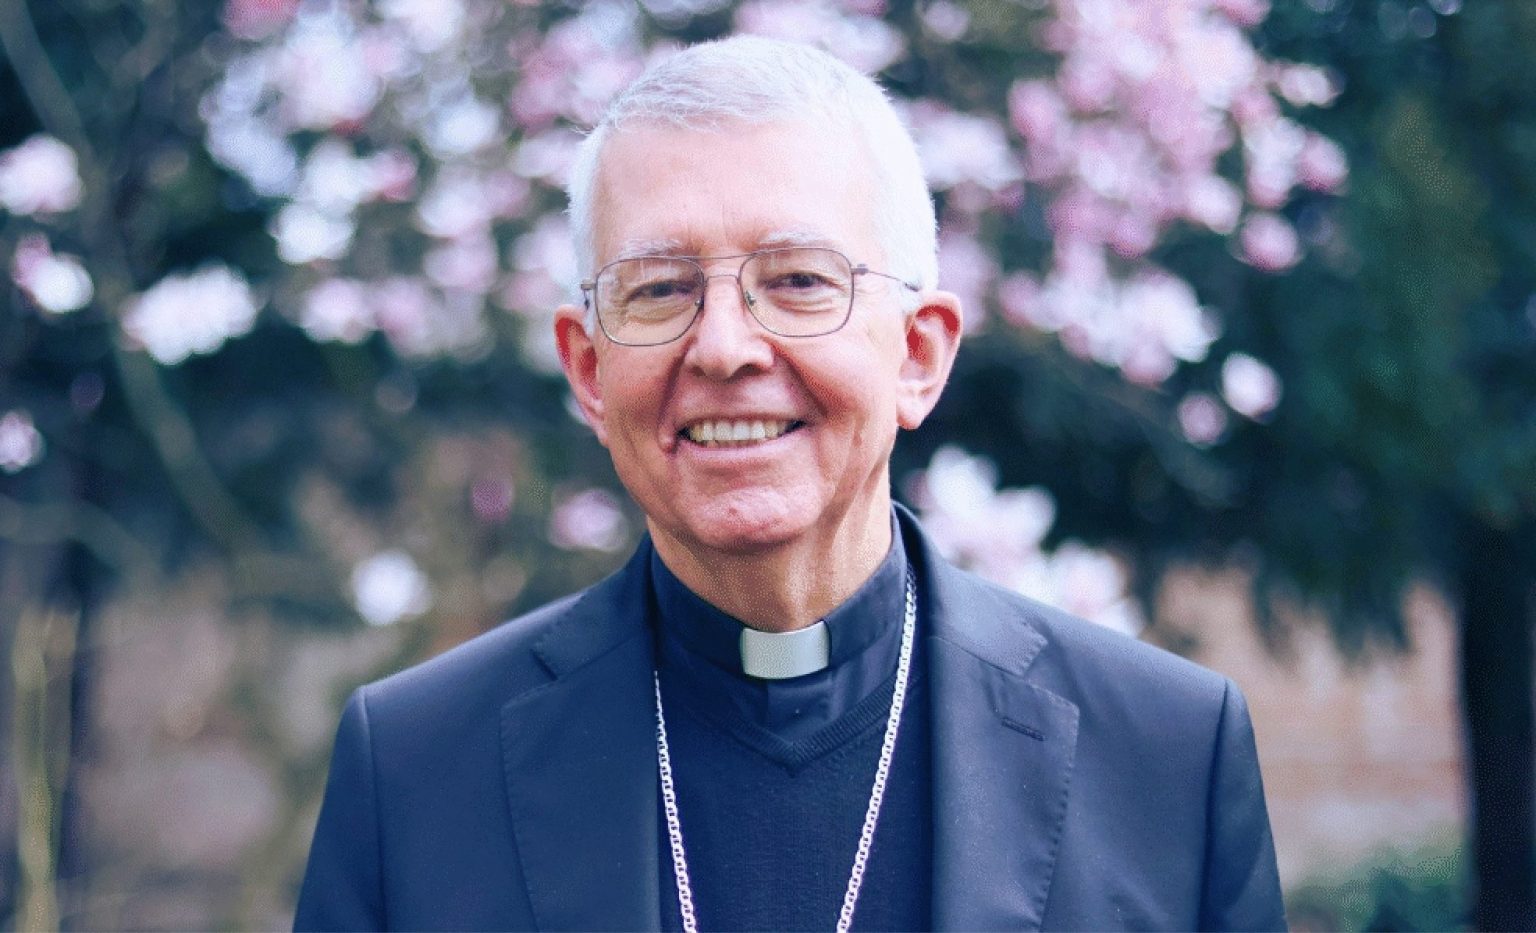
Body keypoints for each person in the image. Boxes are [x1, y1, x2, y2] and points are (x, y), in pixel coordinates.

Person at [294, 36, 1286, 932]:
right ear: (589, 371)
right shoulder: (415, 770)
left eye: (801, 281)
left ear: (918, 355)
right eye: (660, 289)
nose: (725, 347)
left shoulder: (1168, 757)